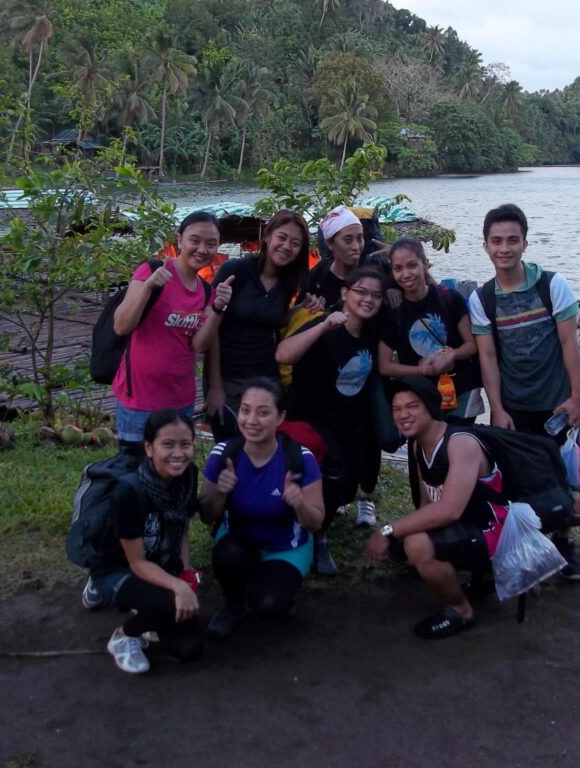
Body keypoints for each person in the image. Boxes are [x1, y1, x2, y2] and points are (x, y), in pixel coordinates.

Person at [467, 203, 580, 581]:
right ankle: (525, 544)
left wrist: (577, 397)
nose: (505, 248)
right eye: (497, 241)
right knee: (516, 477)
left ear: (525, 243)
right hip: (513, 406)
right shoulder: (483, 299)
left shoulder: (552, 285)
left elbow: (570, 344)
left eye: (512, 240)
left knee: (562, 476)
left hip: (555, 404)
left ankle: (565, 543)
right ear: (485, 246)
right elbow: (487, 356)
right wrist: (497, 408)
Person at [366, 377, 507, 639]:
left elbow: (449, 510)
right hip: (468, 526)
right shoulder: (420, 443)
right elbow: (427, 505)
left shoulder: (460, 443)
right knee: (405, 545)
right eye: (396, 409)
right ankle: (481, 579)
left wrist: (388, 530)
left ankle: (461, 610)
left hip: (494, 531)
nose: (403, 415)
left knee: (416, 544)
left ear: (431, 406)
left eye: (412, 406)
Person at [276, 267, 386, 575]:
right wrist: (323, 326)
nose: (368, 299)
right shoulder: (323, 323)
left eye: (375, 295)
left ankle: (318, 520)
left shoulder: (373, 328)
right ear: (344, 293)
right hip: (311, 418)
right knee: (331, 473)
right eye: (361, 291)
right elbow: (283, 354)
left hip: (350, 419)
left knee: (349, 483)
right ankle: (318, 541)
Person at [199, 378, 325, 638]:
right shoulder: (224, 454)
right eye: (245, 410)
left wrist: (299, 503)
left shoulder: (299, 459)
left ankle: (271, 587)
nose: (252, 420)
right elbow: (207, 515)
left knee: (269, 607)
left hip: (286, 547)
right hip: (238, 541)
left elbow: (316, 523)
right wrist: (221, 492)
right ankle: (232, 604)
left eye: (263, 412)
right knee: (228, 554)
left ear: (280, 418)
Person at [88, 410, 205, 674]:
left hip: (161, 564)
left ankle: (152, 610)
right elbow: (137, 562)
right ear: (149, 448)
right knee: (171, 601)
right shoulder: (129, 491)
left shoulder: (187, 476)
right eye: (168, 445)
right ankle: (124, 635)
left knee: (190, 649)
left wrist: (186, 574)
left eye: (185, 444)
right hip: (120, 570)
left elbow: (182, 529)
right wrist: (178, 587)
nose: (178, 453)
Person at [112, 211, 233, 452]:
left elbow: (199, 345)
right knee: (134, 474)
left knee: (175, 471)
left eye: (211, 244)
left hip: (180, 400)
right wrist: (148, 288)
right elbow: (121, 326)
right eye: (194, 240)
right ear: (179, 240)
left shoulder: (206, 292)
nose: (202, 249)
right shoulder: (151, 270)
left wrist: (218, 308)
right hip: (139, 399)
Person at [205, 210, 311, 438]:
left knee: (263, 452)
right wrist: (214, 387)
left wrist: (302, 310)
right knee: (230, 453)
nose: (286, 246)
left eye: (295, 243)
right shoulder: (235, 271)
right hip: (228, 379)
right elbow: (210, 330)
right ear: (267, 236)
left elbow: (272, 321)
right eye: (282, 237)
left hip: (266, 379)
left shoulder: (288, 282)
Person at [379, 237, 484, 423]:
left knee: (459, 442)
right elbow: (385, 366)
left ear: (425, 265)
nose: (406, 274)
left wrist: (451, 355)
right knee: (423, 449)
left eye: (412, 265)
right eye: (398, 269)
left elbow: (471, 345)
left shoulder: (450, 299)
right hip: (420, 394)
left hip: (461, 390)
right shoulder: (392, 312)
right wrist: (422, 371)